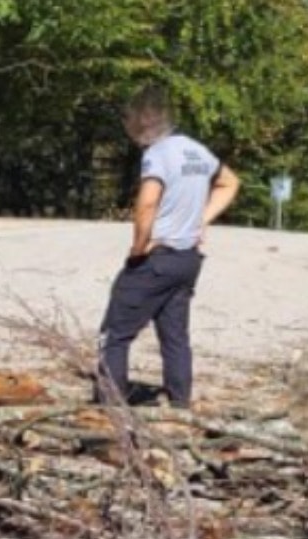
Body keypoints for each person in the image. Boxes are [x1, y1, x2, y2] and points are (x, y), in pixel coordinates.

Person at [96, 86, 240, 409]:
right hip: (188, 259)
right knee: (175, 337)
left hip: (157, 259)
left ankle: (110, 407)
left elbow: (147, 204)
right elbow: (230, 182)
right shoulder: (196, 150)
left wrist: (138, 248)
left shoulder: (157, 155)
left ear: (144, 123)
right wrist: (201, 220)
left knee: (114, 334)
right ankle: (180, 406)